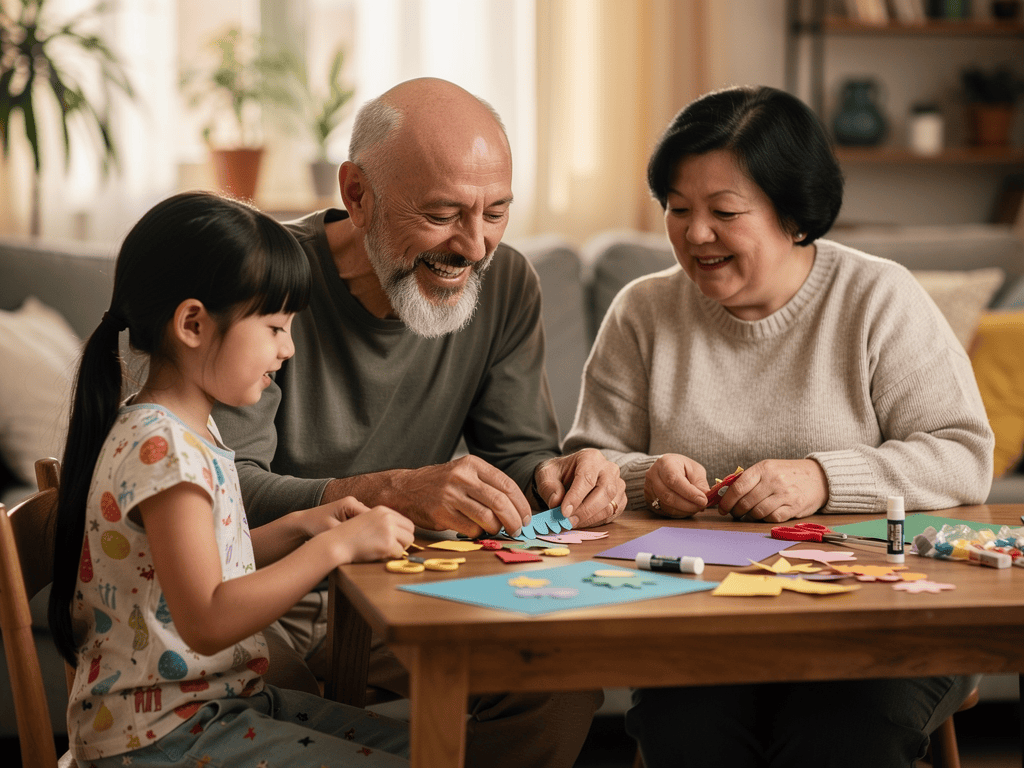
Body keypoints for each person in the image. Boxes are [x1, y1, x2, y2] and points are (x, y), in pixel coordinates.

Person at [562, 85, 994, 767]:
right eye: (678, 209)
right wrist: (646, 474)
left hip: (880, 623)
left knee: (843, 736)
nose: (695, 233)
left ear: (795, 216)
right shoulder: (641, 312)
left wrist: (824, 477)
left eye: (724, 212)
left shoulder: (879, 298)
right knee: (688, 733)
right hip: (701, 620)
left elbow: (963, 453)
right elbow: (586, 462)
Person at [212, 77, 623, 767]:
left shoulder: (509, 282)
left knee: (556, 681)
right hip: (257, 589)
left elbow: (519, 454)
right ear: (358, 195)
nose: (476, 246)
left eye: (496, 212)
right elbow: (225, 494)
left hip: (395, 592)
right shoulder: (265, 278)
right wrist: (390, 490)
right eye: (443, 214)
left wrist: (558, 475)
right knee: (271, 706)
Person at [48, 191, 415, 767]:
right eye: (274, 326)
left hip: (208, 711)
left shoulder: (185, 432)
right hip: (160, 738)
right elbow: (210, 617)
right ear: (193, 323)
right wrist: (333, 547)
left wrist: (301, 526)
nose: (288, 348)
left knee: (433, 749)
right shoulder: (161, 450)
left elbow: (203, 567)